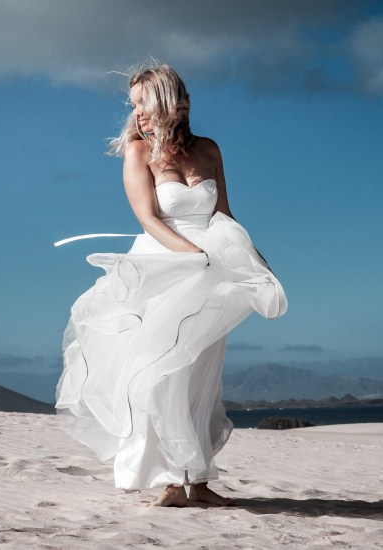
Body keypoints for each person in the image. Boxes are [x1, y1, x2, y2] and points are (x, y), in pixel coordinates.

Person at [55, 62, 287, 507]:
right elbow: (146, 217)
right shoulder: (138, 151)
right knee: (161, 374)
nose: (137, 112)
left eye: (143, 102)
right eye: (134, 104)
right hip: (166, 266)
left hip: (213, 274)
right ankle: (168, 482)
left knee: (200, 376)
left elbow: (224, 214)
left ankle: (196, 482)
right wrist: (190, 257)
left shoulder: (209, 149)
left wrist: (254, 260)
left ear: (168, 100)